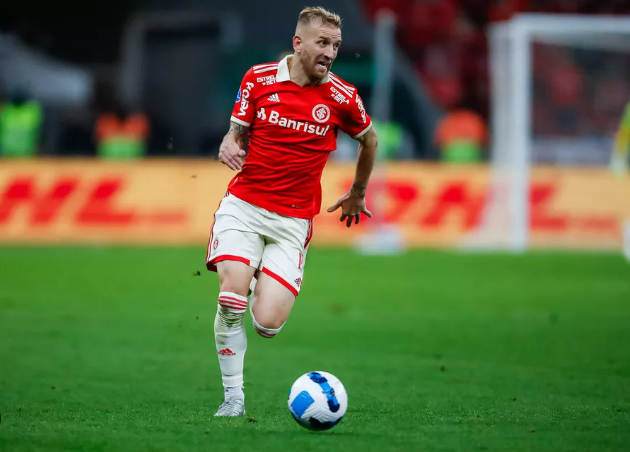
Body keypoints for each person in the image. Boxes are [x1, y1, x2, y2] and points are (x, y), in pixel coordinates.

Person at [206, 6, 378, 417]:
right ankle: (233, 398)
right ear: (298, 43)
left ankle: (253, 274)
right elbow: (238, 131)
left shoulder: (342, 97)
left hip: (292, 222)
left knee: (267, 325)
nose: (331, 52)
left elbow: (369, 141)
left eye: (336, 45)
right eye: (323, 43)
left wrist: (357, 192)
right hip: (244, 207)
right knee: (231, 300)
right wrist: (229, 141)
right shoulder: (259, 79)